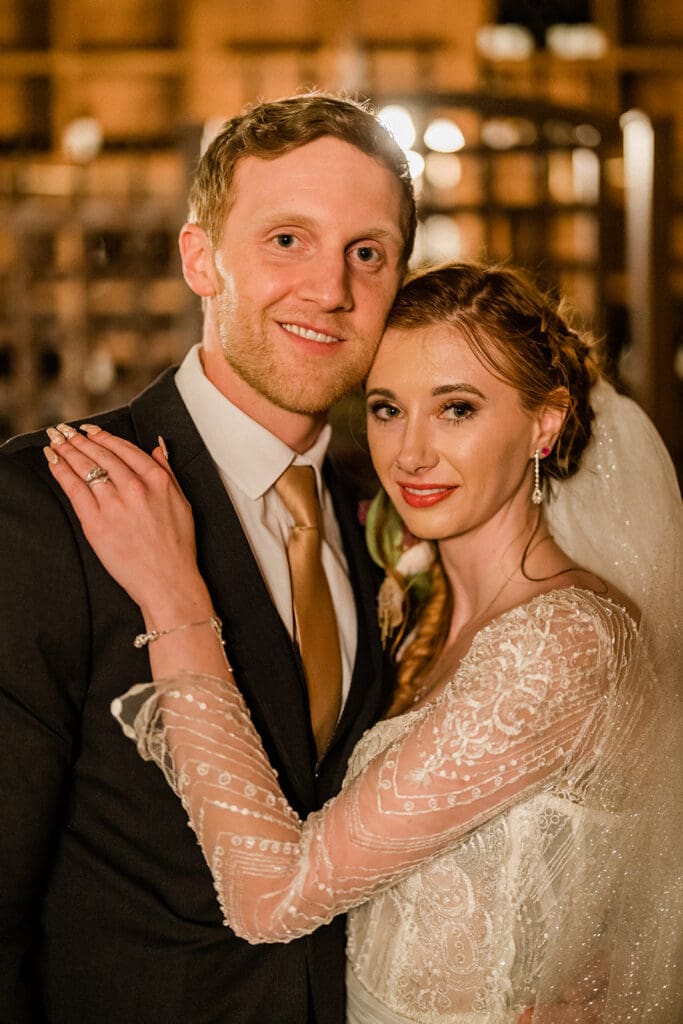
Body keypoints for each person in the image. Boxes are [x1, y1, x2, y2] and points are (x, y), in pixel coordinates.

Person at [43, 261, 683, 1023]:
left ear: (543, 423)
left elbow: (273, 899)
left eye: (456, 409)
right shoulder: (421, 609)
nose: (410, 452)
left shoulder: (558, 641)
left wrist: (174, 596)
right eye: (386, 408)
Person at [0, 92, 416, 1023]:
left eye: (367, 253)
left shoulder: (385, 515)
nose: (330, 290)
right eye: (286, 241)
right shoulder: (43, 506)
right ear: (201, 259)